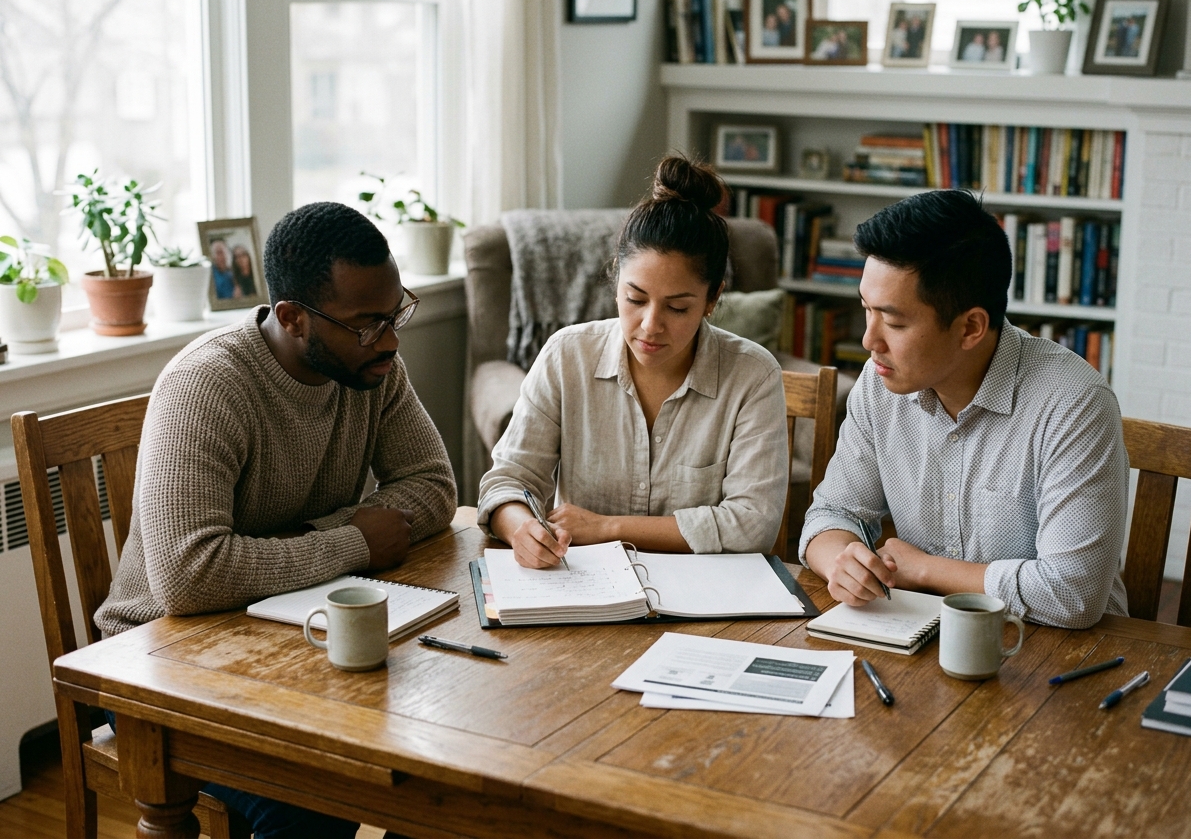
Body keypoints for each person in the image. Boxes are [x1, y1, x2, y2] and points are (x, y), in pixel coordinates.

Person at [95, 200, 458, 838]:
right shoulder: (206, 388)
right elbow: (190, 575)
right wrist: (352, 543)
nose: (392, 340)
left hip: (292, 636)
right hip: (162, 661)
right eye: (369, 323)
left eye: (397, 311)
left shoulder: (372, 369)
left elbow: (434, 486)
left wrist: (309, 543)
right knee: (316, 801)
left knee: (438, 771)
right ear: (291, 317)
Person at [800, 190, 1128, 630]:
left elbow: (1072, 593)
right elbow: (830, 515)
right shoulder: (880, 383)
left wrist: (923, 569)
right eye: (866, 310)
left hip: (1055, 649)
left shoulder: (1072, 404)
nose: (869, 341)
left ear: (971, 327)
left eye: (894, 322)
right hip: (919, 630)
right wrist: (840, 559)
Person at [477, 155, 789, 568]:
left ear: (713, 299)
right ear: (616, 278)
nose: (650, 325)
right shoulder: (567, 355)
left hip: (703, 600)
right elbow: (508, 481)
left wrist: (609, 528)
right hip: (584, 588)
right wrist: (521, 528)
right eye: (635, 298)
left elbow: (753, 525)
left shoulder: (752, 374)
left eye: (677, 308)